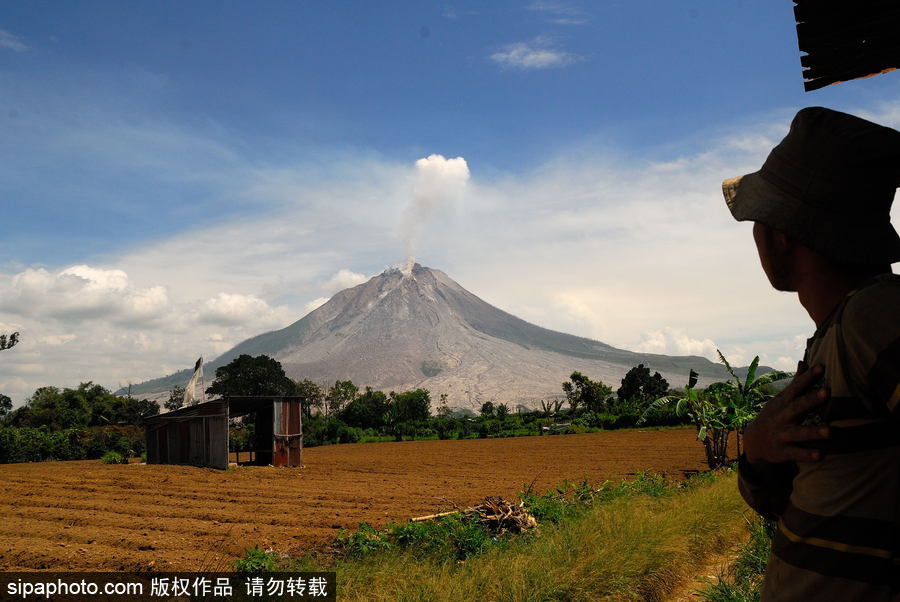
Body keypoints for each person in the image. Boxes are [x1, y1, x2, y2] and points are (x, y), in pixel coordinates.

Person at [722, 106, 900, 600]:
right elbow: (790, 501)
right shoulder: (838, 334)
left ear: (782, 235)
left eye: (758, 220)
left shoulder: (875, 315)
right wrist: (759, 450)